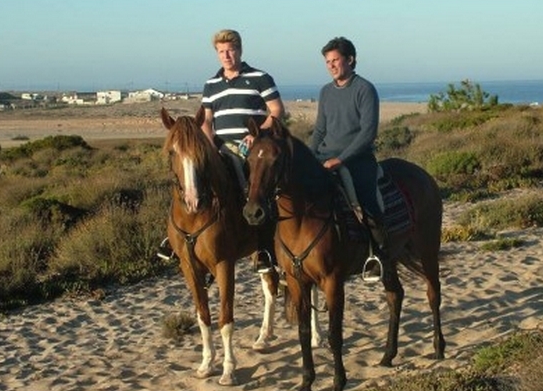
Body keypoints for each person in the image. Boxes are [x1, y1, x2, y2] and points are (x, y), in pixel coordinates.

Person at [158, 29, 285, 274]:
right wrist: (208, 144)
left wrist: (256, 133)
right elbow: (206, 119)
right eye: (221, 51)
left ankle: (263, 246)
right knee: (190, 176)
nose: (226, 55)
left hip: (252, 146)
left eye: (230, 50)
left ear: (239, 50)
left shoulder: (259, 77)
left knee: (253, 188)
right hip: (220, 146)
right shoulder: (212, 84)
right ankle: (179, 237)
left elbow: (277, 111)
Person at [310, 36, 387, 281]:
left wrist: (341, 159)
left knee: (367, 202)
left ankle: (377, 255)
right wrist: (310, 155)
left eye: (335, 60)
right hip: (324, 155)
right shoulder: (325, 91)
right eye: (327, 62)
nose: (331, 65)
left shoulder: (364, 89)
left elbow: (368, 132)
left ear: (350, 60)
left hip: (357, 159)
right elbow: (320, 130)